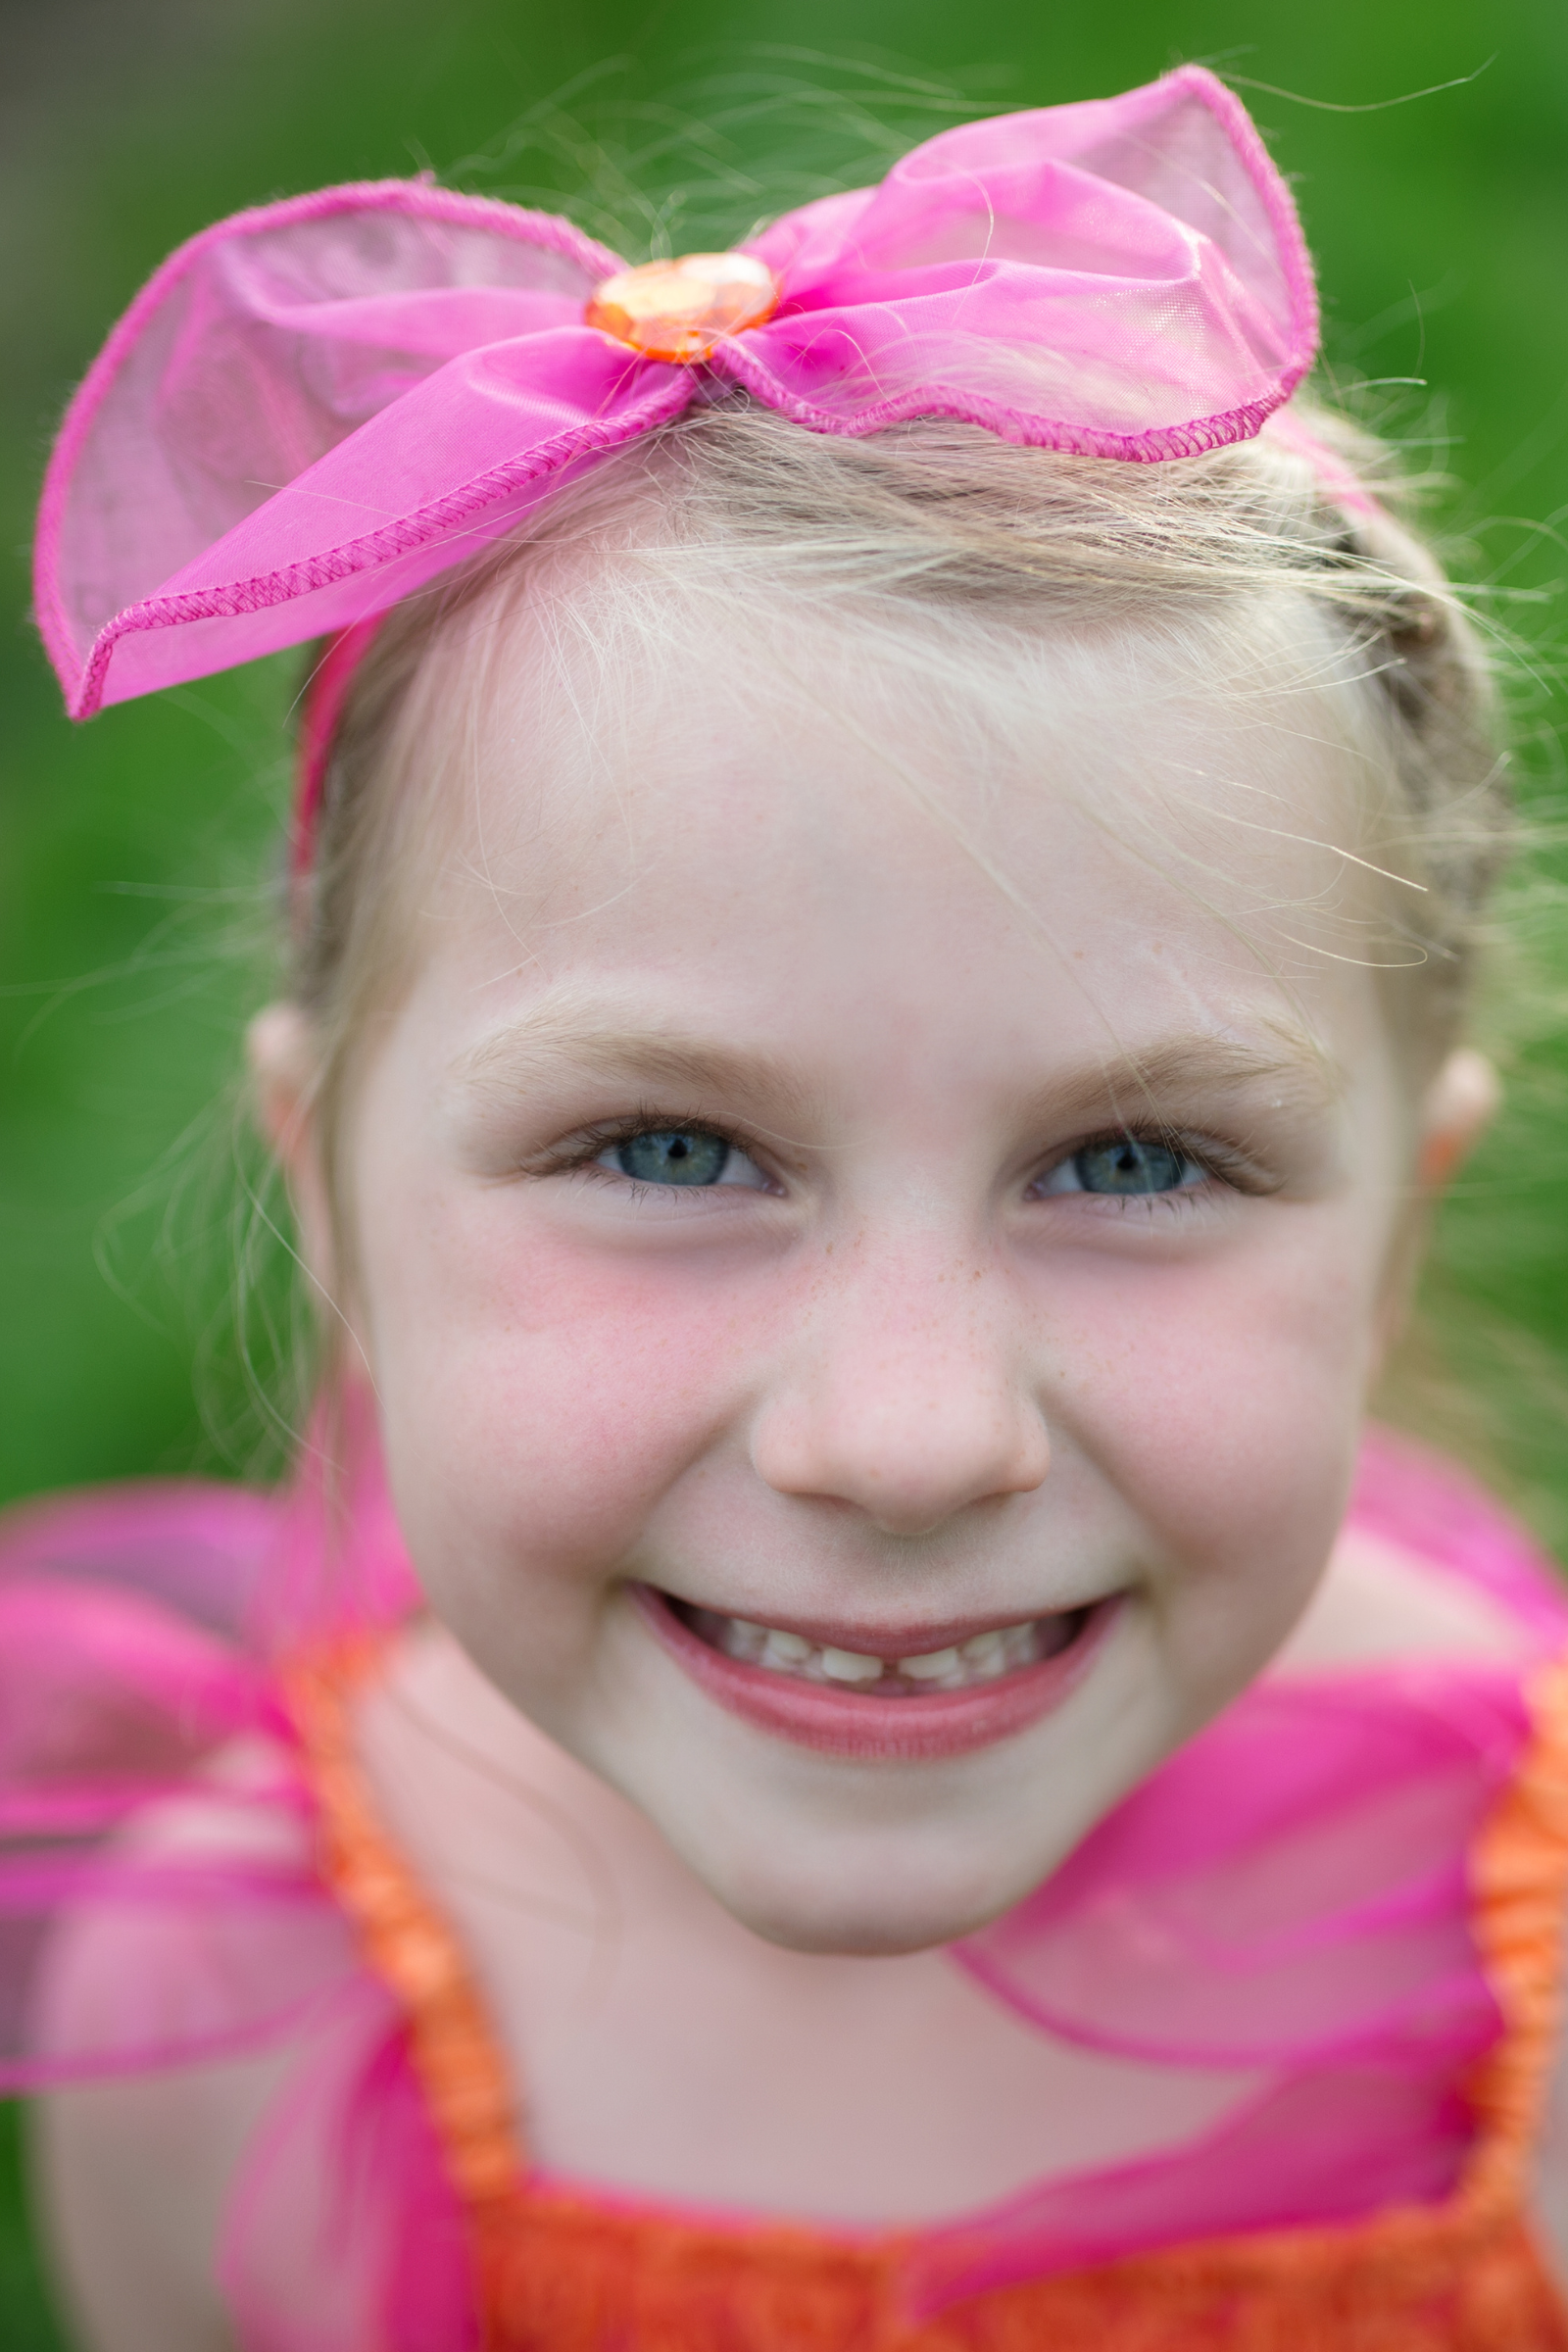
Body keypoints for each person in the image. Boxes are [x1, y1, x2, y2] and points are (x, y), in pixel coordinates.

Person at [6, 62, 1568, 2352]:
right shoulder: (240, 2019)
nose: (908, 1437)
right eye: (666, 1152)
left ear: (1389, 1239)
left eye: (1133, 1163)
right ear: (323, 1195)